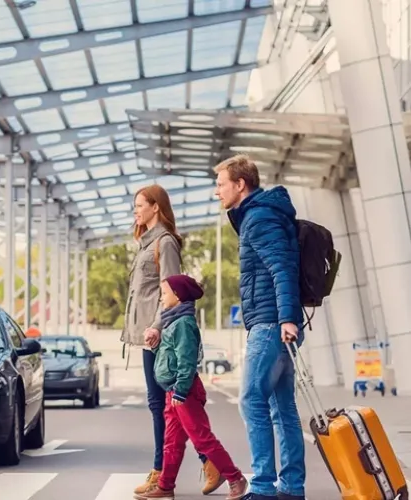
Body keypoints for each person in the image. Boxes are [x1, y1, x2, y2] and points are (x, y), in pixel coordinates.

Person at [213, 154, 305, 500]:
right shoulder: (265, 214)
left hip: (271, 323)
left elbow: (282, 269)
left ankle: (265, 486)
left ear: (240, 184)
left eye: (221, 184)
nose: (217, 191)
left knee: (251, 400)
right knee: (282, 408)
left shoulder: (259, 217)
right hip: (275, 320)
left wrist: (286, 319)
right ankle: (292, 487)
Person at [122, 185, 222, 496]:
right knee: (164, 406)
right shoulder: (145, 243)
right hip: (149, 335)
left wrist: (155, 327)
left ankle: (185, 467)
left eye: (140, 205)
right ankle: (171, 469)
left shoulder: (164, 243)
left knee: (172, 406)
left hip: (161, 334)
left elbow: (172, 293)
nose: (136, 210)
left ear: (156, 207)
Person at [136, 274, 249, 500]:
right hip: (172, 390)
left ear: (178, 296)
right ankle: (166, 486)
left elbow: (186, 361)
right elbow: (170, 358)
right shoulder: (172, 321)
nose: (161, 298)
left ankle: (235, 478)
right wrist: (157, 346)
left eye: (165, 293)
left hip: (183, 391)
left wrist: (181, 390)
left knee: (202, 438)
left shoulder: (184, 324)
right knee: (172, 442)